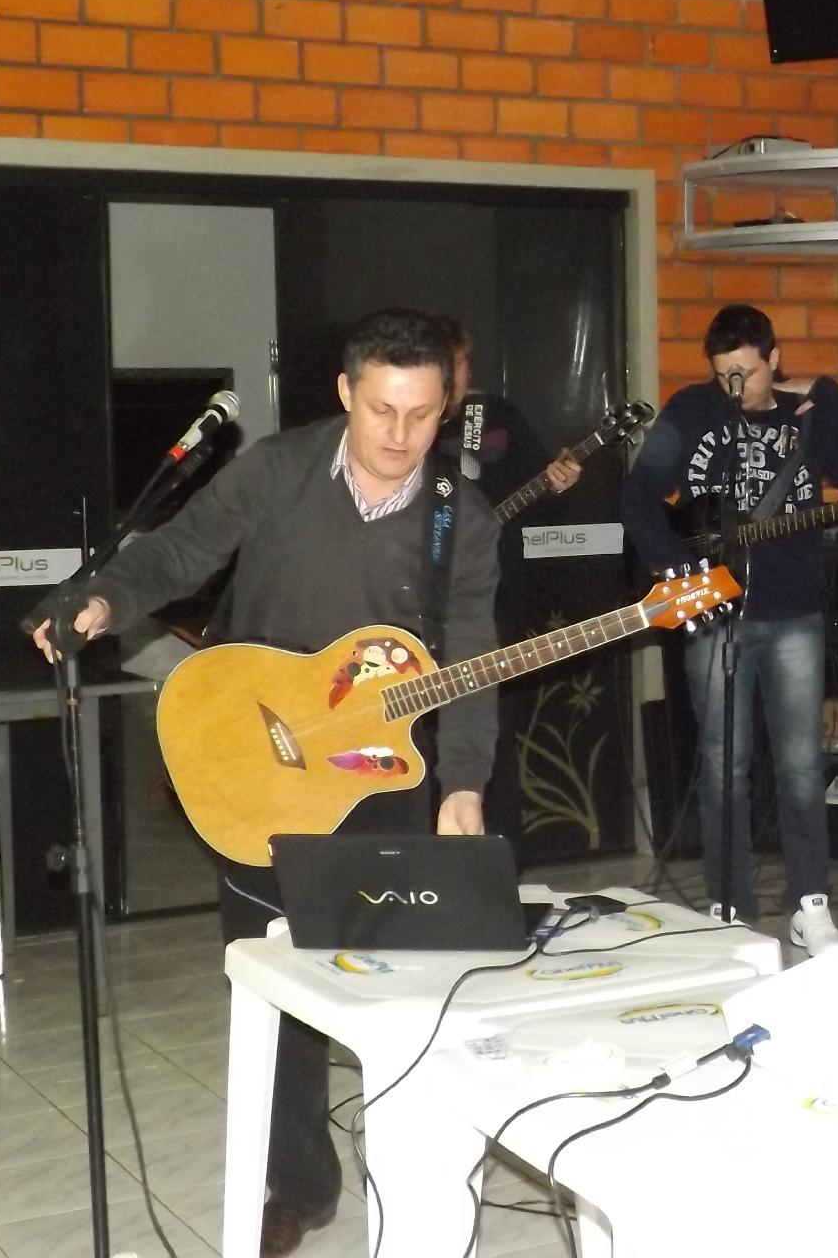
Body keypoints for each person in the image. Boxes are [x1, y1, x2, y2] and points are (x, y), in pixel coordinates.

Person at [31, 307, 500, 1257]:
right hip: (258, 760)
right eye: (382, 410)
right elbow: (178, 549)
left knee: (403, 986)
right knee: (280, 988)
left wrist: (463, 783)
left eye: (422, 414)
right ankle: (301, 1182)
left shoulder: (465, 518)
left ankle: (412, 1174)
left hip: (380, 778)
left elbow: (473, 658)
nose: (401, 435)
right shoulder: (277, 471)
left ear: (446, 405)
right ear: (345, 393)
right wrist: (105, 599)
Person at [620, 304, 838, 955]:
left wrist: (828, 396)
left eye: (747, 372)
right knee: (723, 766)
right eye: (724, 375)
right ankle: (729, 906)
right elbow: (638, 497)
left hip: (793, 612)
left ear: (775, 359)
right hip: (716, 614)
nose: (735, 388)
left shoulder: (811, 412)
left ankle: (810, 905)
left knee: (801, 763)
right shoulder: (692, 410)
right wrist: (678, 568)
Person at [435, 316, 582, 507]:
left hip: (496, 526)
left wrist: (558, 485)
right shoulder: (408, 422)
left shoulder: (498, 413)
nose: (450, 377)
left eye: (457, 364)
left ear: (468, 368)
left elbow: (541, 484)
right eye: (443, 367)